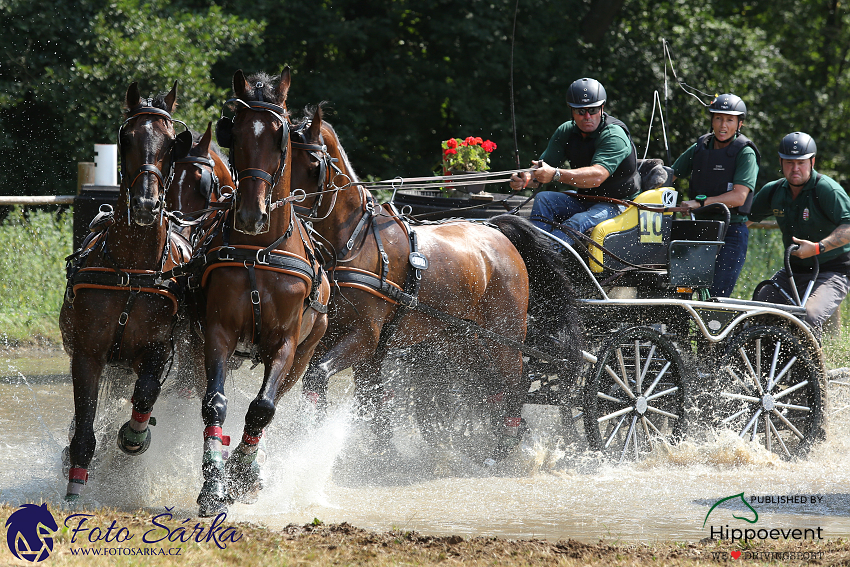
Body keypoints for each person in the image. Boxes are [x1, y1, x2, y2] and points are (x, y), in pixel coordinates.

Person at [510, 77, 640, 245]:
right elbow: (541, 169)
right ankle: (535, 248)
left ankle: (542, 259)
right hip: (585, 199)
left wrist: (555, 174)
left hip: (620, 205)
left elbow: (597, 177)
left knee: (577, 222)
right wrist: (526, 178)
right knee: (543, 199)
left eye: (592, 110)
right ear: (571, 111)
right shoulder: (566, 131)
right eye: (580, 111)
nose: (587, 116)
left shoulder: (614, 135)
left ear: (601, 108)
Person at [749, 132, 850, 340]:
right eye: (789, 162)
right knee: (757, 313)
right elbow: (742, 221)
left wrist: (816, 248)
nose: (795, 168)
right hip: (792, 271)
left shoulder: (827, 189)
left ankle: (812, 371)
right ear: (781, 162)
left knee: (807, 318)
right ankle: (768, 369)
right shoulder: (773, 190)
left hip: (832, 272)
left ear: (812, 162)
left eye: (801, 162)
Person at [671, 93, 760, 297]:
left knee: (716, 297)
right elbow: (670, 175)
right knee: (680, 291)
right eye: (718, 118)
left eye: (729, 120)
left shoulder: (745, 153)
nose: (723, 125)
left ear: (740, 124)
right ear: (712, 120)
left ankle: (714, 329)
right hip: (699, 229)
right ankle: (679, 329)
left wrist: (699, 203)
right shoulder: (700, 148)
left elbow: (739, 197)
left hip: (731, 232)